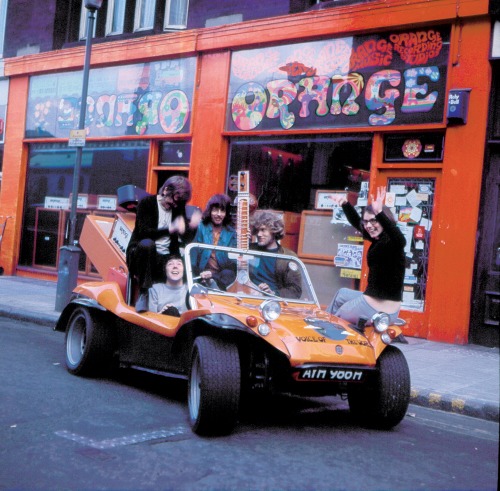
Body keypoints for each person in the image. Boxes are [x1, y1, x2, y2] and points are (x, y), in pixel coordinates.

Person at [326, 186, 406, 325]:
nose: (369, 225)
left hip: (377, 307)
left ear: (384, 220)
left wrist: (379, 212)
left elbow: (400, 239)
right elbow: (358, 223)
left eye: (373, 220)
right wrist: (345, 204)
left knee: (336, 318)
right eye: (366, 221)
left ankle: (324, 333)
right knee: (342, 294)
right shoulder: (379, 239)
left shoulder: (392, 242)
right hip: (374, 303)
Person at [126, 175, 201, 309]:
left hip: (165, 257)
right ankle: (144, 293)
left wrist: (193, 227)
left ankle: (184, 304)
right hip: (143, 255)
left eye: (178, 203)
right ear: (166, 190)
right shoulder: (146, 203)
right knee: (147, 244)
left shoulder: (178, 207)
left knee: (187, 265)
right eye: (174, 200)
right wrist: (170, 229)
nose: (174, 205)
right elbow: (144, 233)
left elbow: (186, 239)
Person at [249, 210, 302, 299]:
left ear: (274, 231)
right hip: (248, 296)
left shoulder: (288, 257)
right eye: (257, 230)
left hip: (273, 304)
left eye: (263, 230)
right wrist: (239, 239)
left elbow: (295, 290)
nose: (259, 234)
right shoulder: (249, 249)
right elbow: (229, 265)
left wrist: (273, 293)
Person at [191, 193, 237, 289]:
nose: (219, 214)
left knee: (228, 273)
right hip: (200, 275)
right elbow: (193, 257)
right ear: (210, 210)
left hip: (220, 278)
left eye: (222, 211)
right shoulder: (201, 227)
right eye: (215, 210)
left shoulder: (232, 233)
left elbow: (233, 263)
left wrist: (243, 240)